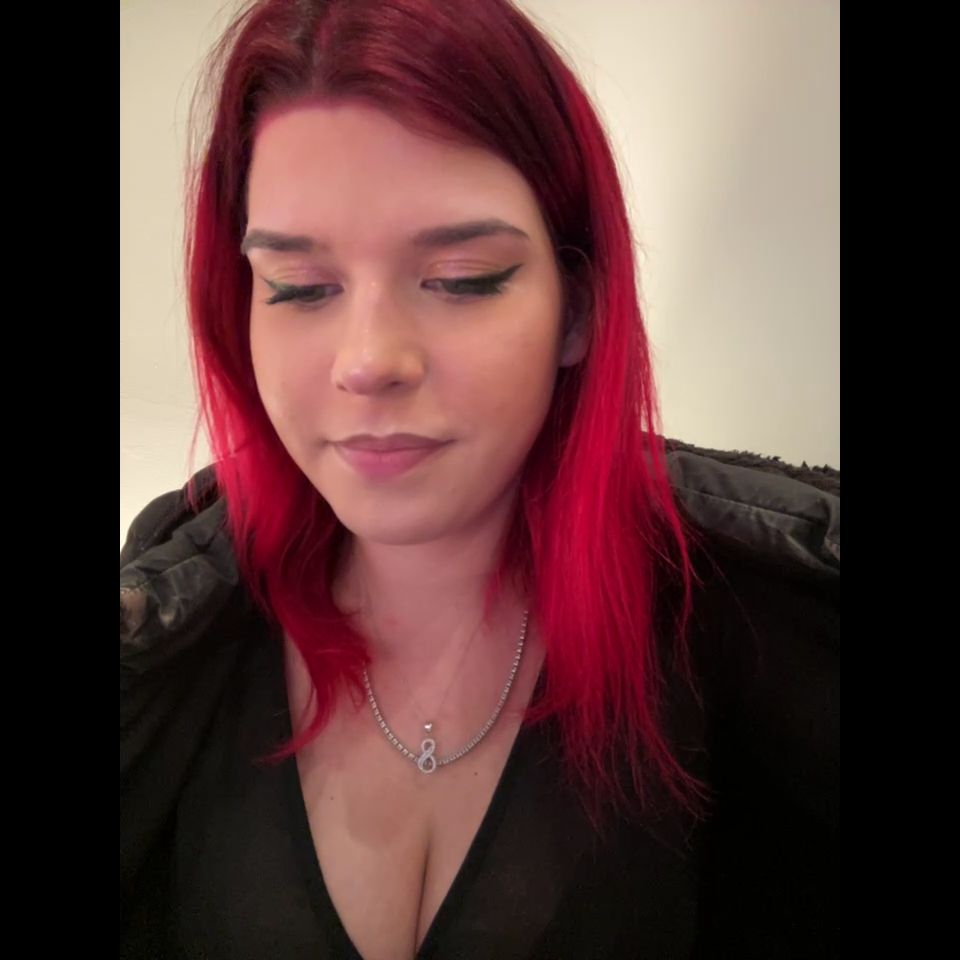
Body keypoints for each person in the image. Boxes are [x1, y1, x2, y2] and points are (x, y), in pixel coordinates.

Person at [120, 1, 839, 957]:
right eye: (299, 288)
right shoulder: (174, 618)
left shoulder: (766, 614)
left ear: (577, 310)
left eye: (461, 277)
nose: (369, 362)